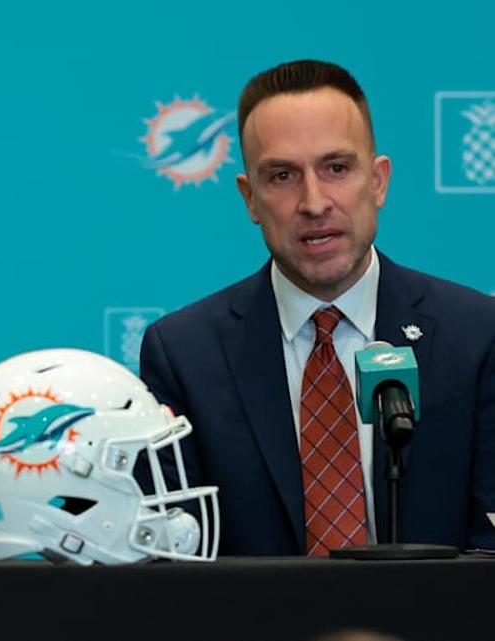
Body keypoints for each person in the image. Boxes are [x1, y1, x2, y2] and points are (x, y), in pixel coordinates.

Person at [139, 60, 495, 556]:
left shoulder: (476, 336)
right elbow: (176, 561)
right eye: (282, 175)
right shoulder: (184, 354)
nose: (313, 201)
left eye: (336, 168)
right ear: (250, 199)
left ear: (378, 181)